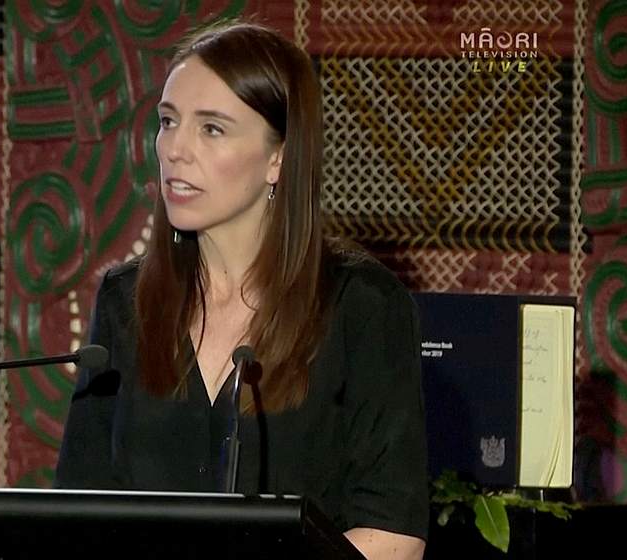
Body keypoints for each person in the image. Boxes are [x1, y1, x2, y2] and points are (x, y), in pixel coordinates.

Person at [55, 21, 428, 560]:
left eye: (212, 129)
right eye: (168, 121)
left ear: (278, 157)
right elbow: (76, 511)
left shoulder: (362, 306)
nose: (176, 149)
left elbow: (391, 534)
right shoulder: (124, 301)